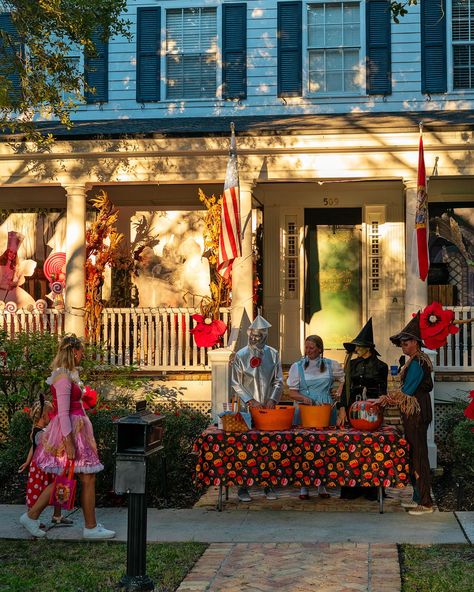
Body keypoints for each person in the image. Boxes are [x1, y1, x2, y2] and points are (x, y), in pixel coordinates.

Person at [19, 335, 116, 539]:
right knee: (84, 477)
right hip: (71, 433)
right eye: (81, 351)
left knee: (80, 477)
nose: (82, 355)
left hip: (77, 430)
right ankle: (88, 527)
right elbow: (62, 413)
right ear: (73, 352)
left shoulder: (68, 375)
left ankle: (35, 516)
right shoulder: (62, 378)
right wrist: (69, 443)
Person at [377, 312, 434, 516]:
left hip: (417, 413)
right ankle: (418, 497)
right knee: (414, 455)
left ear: (416, 343)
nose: (403, 346)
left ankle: (426, 503)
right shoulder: (413, 361)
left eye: (406, 342)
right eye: (401, 343)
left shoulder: (418, 362)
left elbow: (407, 391)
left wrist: (387, 398)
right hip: (413, 414)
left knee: (419, 456)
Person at [231, 315, 284, 502]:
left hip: (267, 408)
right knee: (246, 447)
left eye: (259, 335)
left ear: (265, 335)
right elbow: (236, 383)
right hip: (248, 408)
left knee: (267, 447)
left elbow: (278, 379)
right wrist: (250, 400)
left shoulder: (273, 354)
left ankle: (267, 485)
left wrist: (272, 399)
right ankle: (243, 487)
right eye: (253, 335)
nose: (255, 339)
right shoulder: (241, 355)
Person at [336, 318, 388, 501]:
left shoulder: (381, 367)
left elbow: (383, 391)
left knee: (371, 449)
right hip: (353, 410)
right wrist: (342, 408)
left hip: (371, 410)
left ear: (369, 348)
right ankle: (352, 487)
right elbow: (347, 388)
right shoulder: (352, 364)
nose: (356, 348)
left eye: (359, 345)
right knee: (351, 448)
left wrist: (378, 407)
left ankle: (371, 489)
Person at [287, 335, 344, 500]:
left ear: (320, 348)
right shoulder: (297, 367)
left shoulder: (330, 365)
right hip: (306, 409)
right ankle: (303, 486)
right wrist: (304, 398)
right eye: (306, 347)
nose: (308, 351)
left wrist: (338, 391)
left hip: (325, 408)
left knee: (324, 447)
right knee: (304, 447)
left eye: (312, 348)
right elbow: (292, 392)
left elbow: (344, 378)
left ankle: (322, 484)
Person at [18, 395, 73, 526]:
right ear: (44, 415)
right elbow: (37, 447)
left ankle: (57, 515)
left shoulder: (45, 430)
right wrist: (28, 462)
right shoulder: (39, 432)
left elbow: (33, 448)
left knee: (59, 487)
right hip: (40, 469)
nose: (54, 416)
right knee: (36, 492)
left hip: (51, 466)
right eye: (51, 413)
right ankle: (32, 517)